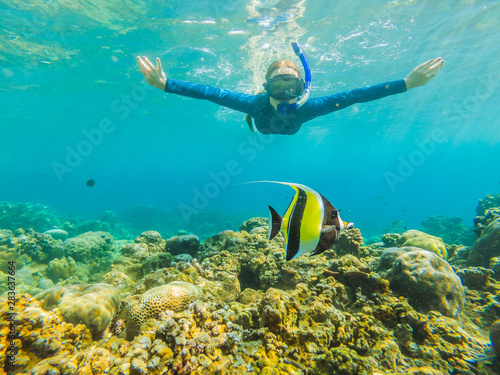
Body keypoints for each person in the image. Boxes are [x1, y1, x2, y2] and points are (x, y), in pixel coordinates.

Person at [137, 44, 444, 135]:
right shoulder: (255, 105)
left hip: (282, 124)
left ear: (302, 87)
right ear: (265, 86)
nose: (284, 93)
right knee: (243, 111)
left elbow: (356, 95)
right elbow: (211, 92)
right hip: (260, 123)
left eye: (291, 85)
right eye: (277, 85)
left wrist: (407, 83)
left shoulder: (308, 106)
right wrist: (166, 84)